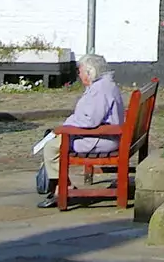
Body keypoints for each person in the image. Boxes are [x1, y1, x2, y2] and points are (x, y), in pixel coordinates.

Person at [36, 54, 125, 207]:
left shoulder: (100, 90)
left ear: (90, 72)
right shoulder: (103, 85)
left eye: (81, 71)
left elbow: (90, 120)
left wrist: (65, 127)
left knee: (51, 147)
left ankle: (63, 188)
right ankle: (60, 186)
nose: (79, 74)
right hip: (105, 135)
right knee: (52, 140)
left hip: (101, 139)